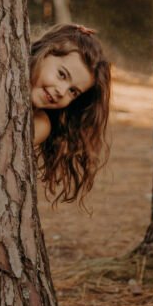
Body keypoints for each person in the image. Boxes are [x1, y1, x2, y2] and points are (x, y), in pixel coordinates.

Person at [30, 23, 111, 205]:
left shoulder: (41, 124)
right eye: (62, 75)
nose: (61, 91)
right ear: (44, 52)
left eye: (73, 91)